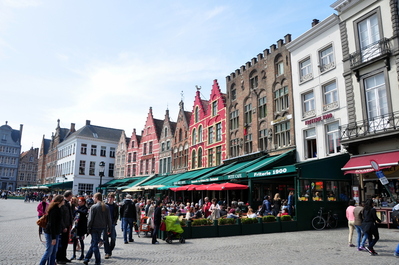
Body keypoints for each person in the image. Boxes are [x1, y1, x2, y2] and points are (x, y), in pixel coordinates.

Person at [83, 192, 112, 265]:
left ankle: (97, 261)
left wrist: (88, 228)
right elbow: (109, 218)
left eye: (94, 198)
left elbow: (90, 219)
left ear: (96, 198)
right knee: (94, 243)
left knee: (95, 244)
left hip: (94, 227)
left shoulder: (94, 207)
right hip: (102, 227)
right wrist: (109, 228)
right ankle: (87, 258)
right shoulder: (106, 207)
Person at [39, 195, 64, 265]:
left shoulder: (59, 209)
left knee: (54, 251)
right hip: (50, 233)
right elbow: (52, 224)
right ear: (59, 201)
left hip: (56, 232)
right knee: (49, 251)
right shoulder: (54, 210)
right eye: (63, 200)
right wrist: (53, 238)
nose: (64, 201)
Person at [56, 190, 73, 264]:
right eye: (71, 195)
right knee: (61, 243)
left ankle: (64, 257)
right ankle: (59, 258)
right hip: (63, 227)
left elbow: (69, 214)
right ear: (69, 195)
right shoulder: (63, 203)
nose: (72, 197)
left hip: (67, 225)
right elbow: (61, 217)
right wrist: (63, 227)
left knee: (65, 243)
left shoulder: (68, 203)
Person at [70, 196, 88, 261]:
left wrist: (77, 210)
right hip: (75, 227)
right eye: (78, 201)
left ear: (83, 202)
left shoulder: (84, 208)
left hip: (81, 228)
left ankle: (82, 254)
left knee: (81, 240)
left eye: (80, 201)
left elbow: (84, 213)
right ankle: (74, 254)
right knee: (74, 240)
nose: (79, 202)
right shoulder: (78, 207)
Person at [103, 192, 119, 259]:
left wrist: (115, 222)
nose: (110, 199)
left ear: (113, 198)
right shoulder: (104, 205)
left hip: (112, 224)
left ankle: (110, 250)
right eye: (109, 197)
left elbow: (117, 215)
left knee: (113, 238)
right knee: (105, 239)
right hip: (105, 224)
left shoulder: (115, 206)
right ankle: (107, 252)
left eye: (111, 197)